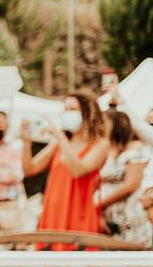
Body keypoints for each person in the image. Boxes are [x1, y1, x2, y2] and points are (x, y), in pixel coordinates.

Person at [24, 93, 110, 248]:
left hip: (79, 214)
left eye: (72, 109)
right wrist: (25, 142)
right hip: (54, 213)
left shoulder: (100, 144)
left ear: (87, 112)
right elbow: (29, 169)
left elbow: (78, 170)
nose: (67, 113)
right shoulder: (58, 143)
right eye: (65, 109)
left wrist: (60, 136)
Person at [97, 110, 151, 245]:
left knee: (135, 261)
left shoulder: (135, 150)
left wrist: (98, 205)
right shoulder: (107, 151)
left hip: (132, 218)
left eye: (104, 122)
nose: (100, 126)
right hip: (112, 220)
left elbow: (131, 184)